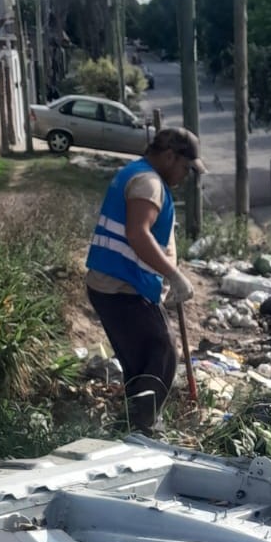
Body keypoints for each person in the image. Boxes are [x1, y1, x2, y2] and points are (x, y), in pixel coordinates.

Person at [84, 127, 205, 430]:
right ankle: (140, 428)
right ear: (169, 156)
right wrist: (173, 275)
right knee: (162, 354)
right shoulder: (148, 183)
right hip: (122, 286)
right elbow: (138, 233)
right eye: (185, 167)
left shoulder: (142, 176)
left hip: (118, 284)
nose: (186, 175)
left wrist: (167, 276)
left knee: (143, 360)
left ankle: (134, 426)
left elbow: (153, 236)